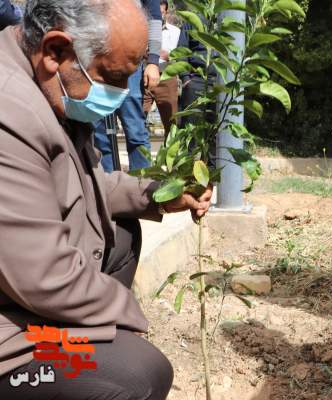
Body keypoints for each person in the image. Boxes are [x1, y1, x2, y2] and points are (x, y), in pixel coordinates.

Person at [0, 0, 211, 397]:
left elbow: (88, 183)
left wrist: (163, 196)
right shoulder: (8, 111)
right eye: (112, 77)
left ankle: (78, 340)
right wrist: (129, 317)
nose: (118, 93)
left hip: (21, 292)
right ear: (56, 51)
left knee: (122, 235)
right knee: (139, 374)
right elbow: (43, 275)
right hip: (12, 330)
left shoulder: (46, 83)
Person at [92, 0, 162, 172]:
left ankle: (141, 186)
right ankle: (109, 188)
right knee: (100, 134)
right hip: (95, 60)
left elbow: (154, 18)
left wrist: (153, 61)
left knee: (135, 130)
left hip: (129, 62)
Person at [142, 0, 180, 135]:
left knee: (171, 122)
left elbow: (182, 56)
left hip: (167, 78)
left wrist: (168, 55)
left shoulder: (176, 32)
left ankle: (170, 154)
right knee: (139, 118)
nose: (159, 15)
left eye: (161, 13)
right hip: (145, 78)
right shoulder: (143, 30)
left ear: (166, 12)